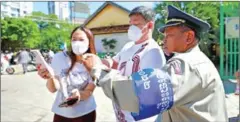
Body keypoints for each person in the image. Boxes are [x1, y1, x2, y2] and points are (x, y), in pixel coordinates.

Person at [82, 5, 228, 122]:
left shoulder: (188, 66)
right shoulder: (192, 60)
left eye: (169, 35)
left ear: (189, 37)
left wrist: (98, 70)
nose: (164, 40)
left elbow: (138, 96)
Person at [101, 6, 166, 122]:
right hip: (122, 115)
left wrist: (106, 76)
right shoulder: (128, 46)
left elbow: (144, 92)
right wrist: (104, 62)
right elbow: (116, 62)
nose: (131, 28)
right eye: (130, 24)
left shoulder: (153, 52)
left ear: (150, 25)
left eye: (136, 24)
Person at [37, 26, 97, 122]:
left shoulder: (94, 61)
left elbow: (89, 90)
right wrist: (50, 77)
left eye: (81, 39)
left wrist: (79, 95)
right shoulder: (59, 58)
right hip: (62, 113)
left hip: (86, 113)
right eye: (74, 39)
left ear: (89, 43)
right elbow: (52, 89)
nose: (77, 43)